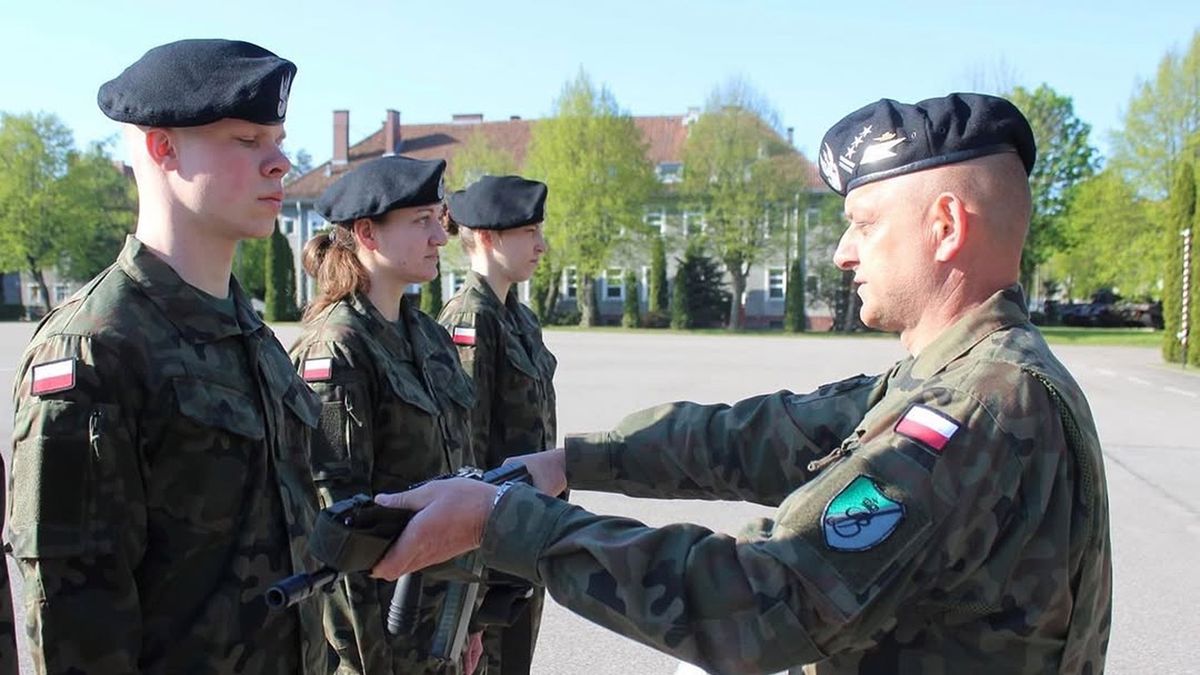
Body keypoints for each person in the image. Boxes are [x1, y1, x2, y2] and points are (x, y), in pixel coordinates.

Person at [368, 93, 1113, 674]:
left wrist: (502, 522)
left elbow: (755, 601)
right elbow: (766, 433)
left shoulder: (974, 410)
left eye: (864, 222)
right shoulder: (961, 374)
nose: (845, 251)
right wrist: (574, 462)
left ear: (946, 226)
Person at [2, 39, 328, 674]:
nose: (281, 163)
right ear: (162, 147)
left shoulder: (254, 339)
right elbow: (76, 625)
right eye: (247, 140)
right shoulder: (95, 351)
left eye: (278, 139)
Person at [289, 155, 484, 674]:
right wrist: (369, 660)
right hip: (382, 637)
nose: (439, 237)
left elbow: (463, 472)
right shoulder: (335, 350)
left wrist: (468, 620)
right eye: (421, 221)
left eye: (437, 220)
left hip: (442, 615)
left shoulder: (429, 338)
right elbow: (335, 524)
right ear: (367, 234)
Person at [437, 176, 557, 675]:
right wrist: (471, 596)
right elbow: (467, 455)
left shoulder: (519, 318)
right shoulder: (470, 319)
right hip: (492, 549)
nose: (541, 245)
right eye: (528, 231)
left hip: (526, 536)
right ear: (486, 237)